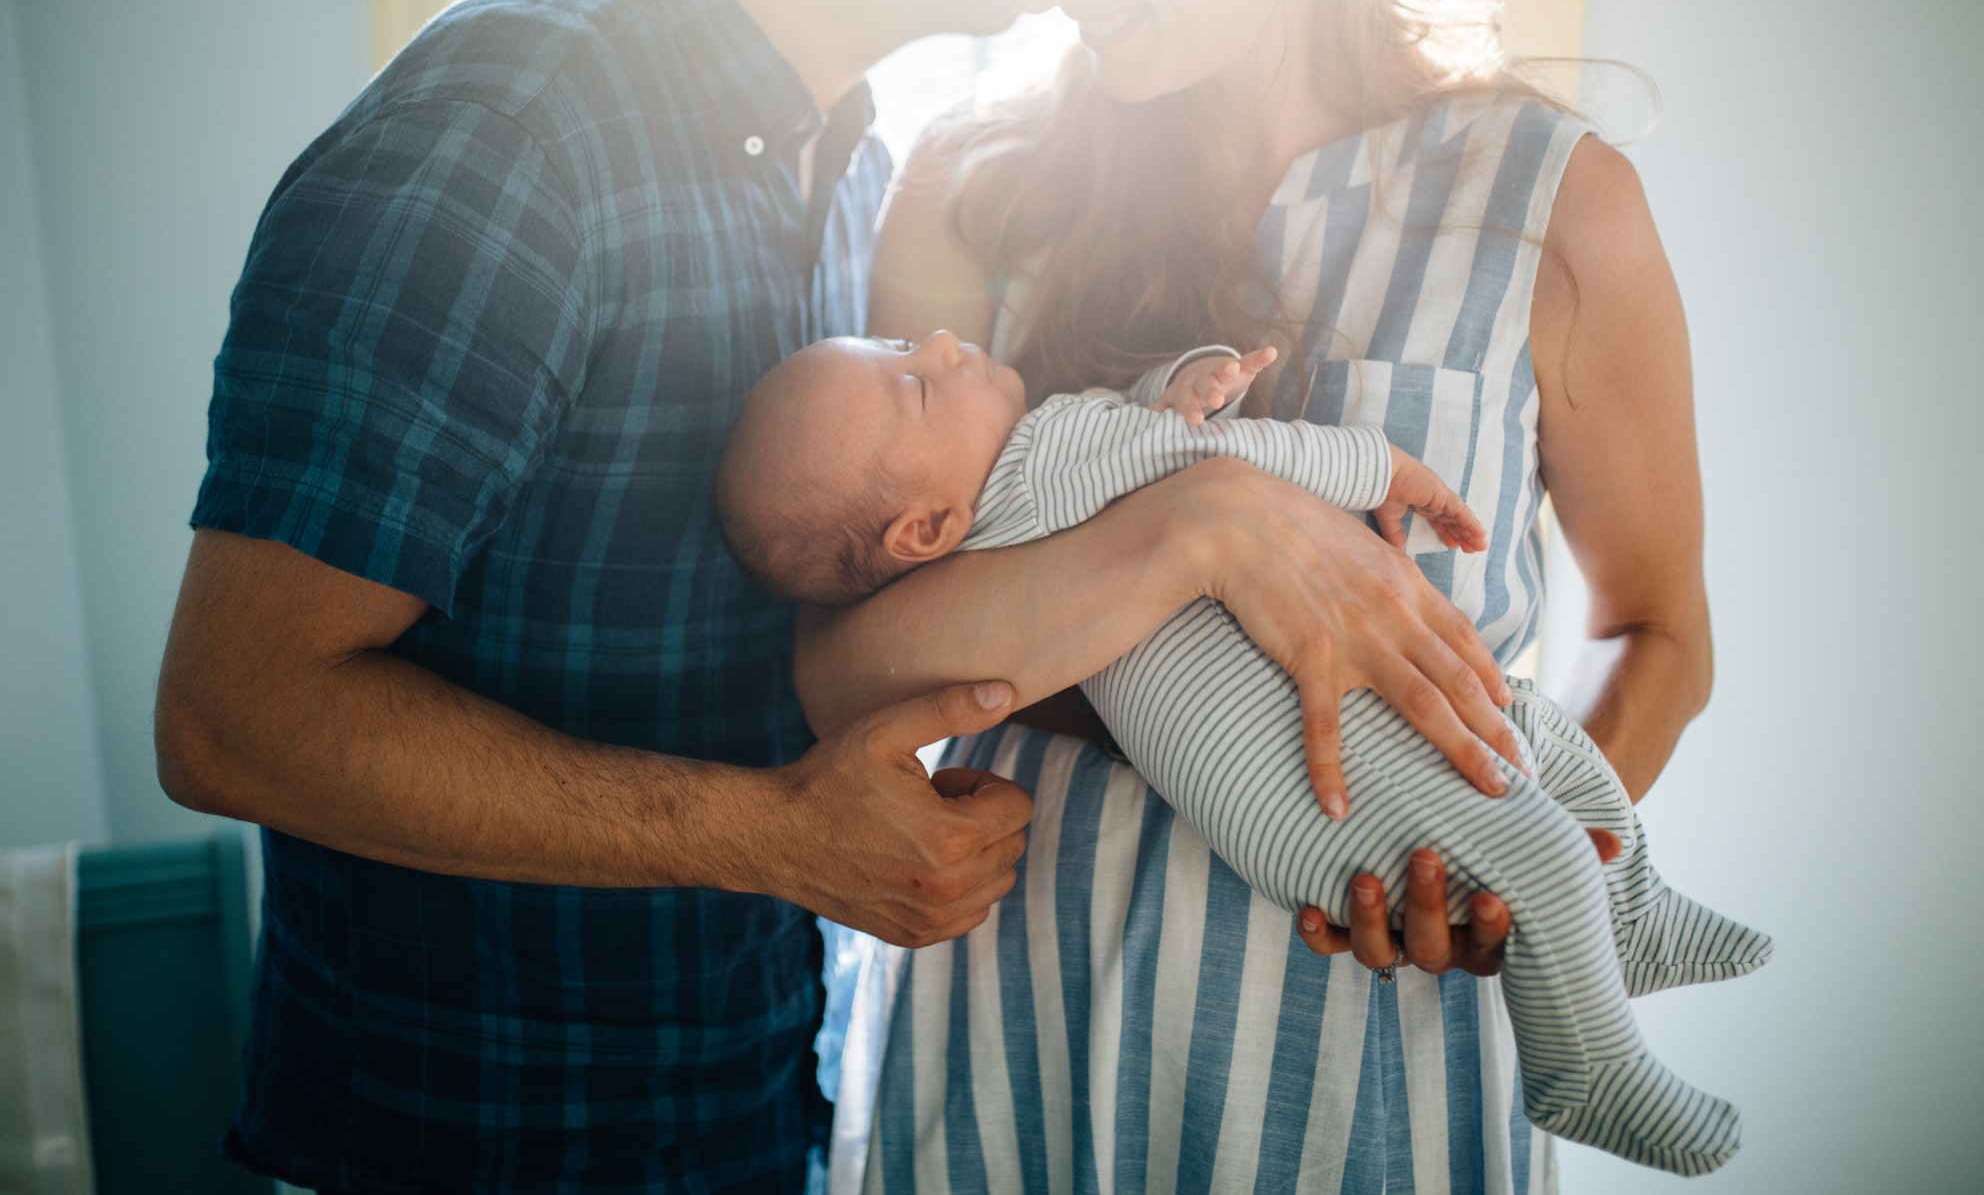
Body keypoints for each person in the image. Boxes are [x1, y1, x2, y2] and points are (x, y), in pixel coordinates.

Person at [797, 0, 1725, 1189]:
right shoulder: (975, 188)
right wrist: (1198, 524)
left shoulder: (1549, 209)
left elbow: (1659, 631)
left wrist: (1511, 874)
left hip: (1376, 1070)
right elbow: (848, 673)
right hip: (1011, 1040)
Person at [149, 0, 1055, 1190]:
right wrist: (773, 832)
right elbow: (234, 713)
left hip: (745, 1110)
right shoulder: (499, 138)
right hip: (467, 1140)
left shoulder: (850, 172)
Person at [721, 334, 1763, 1172]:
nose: (945, 346)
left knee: (1532, 748)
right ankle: (1586, 1058)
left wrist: (1166, 386)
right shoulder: (1045, 451)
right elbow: (1226, 464)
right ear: (922, 527)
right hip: (1333, 778)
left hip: (1277, 816)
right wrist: (1377, 466)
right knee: (1535, 825)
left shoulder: (997, 517)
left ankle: (1629, 920)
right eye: (911, 381)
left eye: (905, 341)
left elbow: (1128, 449)